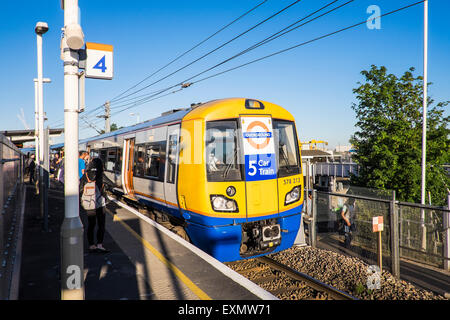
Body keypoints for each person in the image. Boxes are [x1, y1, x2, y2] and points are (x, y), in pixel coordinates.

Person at [80, 157, 109, 253]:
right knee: (101, 225)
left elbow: (80, 189)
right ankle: (100, 245)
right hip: (100, 203)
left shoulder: (86, 175)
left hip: (89, 204)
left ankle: (91, 245)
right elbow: (111, 184)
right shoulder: (101, 175)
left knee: (91, 225)